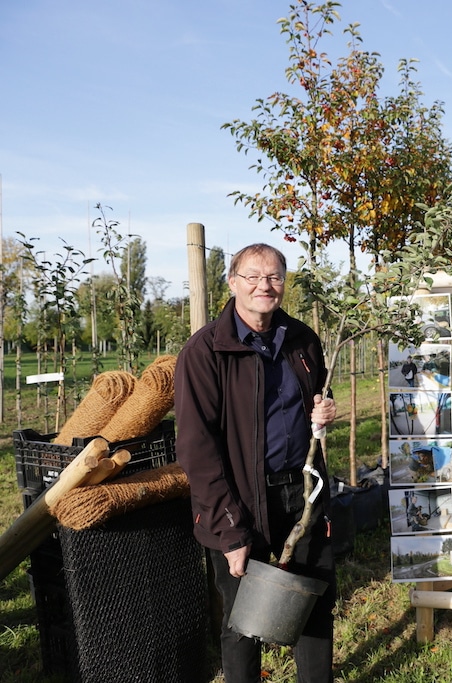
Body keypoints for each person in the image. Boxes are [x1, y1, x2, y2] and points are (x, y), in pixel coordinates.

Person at [174, 243, 338, 683]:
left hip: (302, 493)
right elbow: (196, 449)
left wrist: (322, 412)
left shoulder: (302, 340)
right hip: (238, 501)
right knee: (241, 623)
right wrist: (231, 530)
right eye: (252, 276)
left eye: (274, 277)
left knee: (315, 607)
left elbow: (314, 402)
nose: (264, 286)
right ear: (232, 282)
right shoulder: (205, 352)